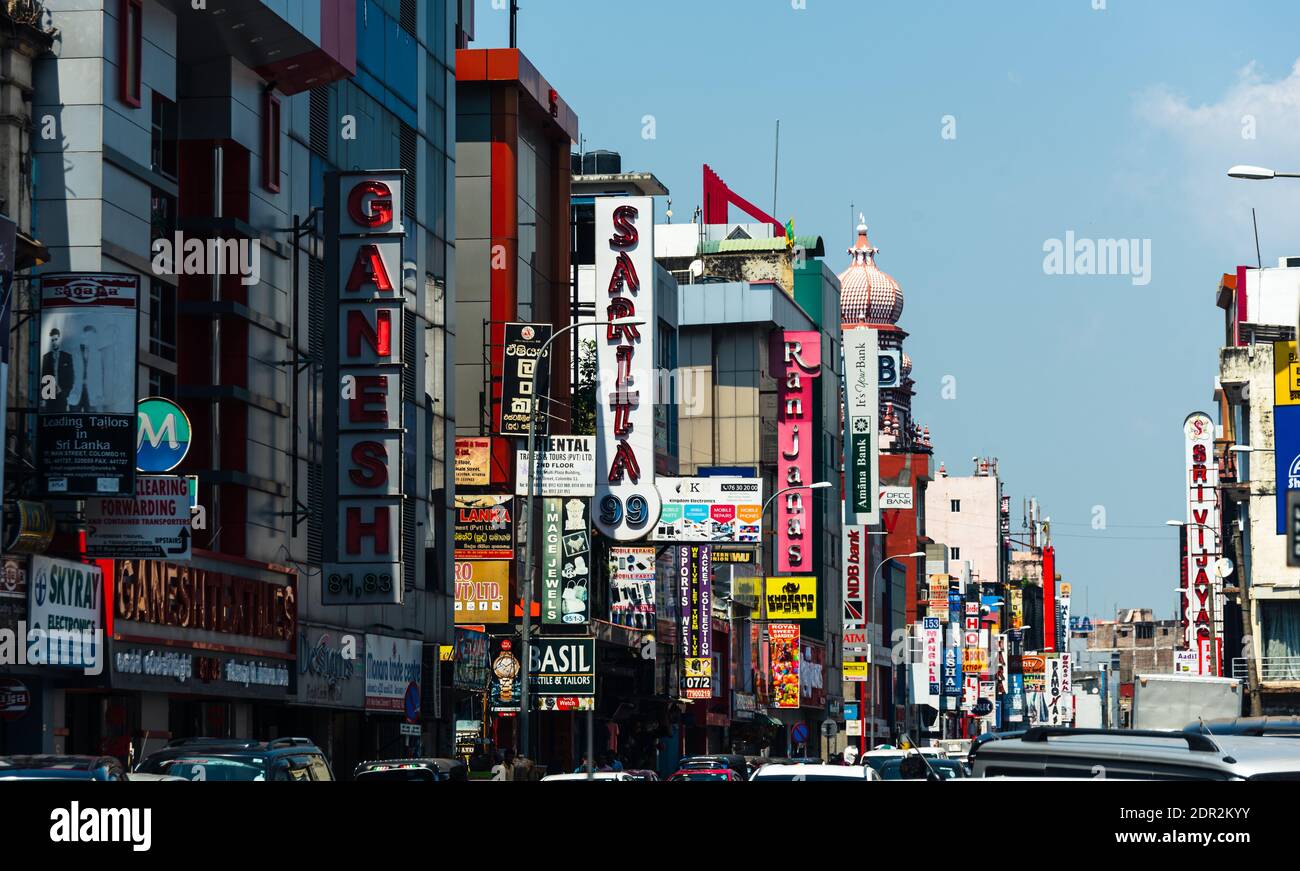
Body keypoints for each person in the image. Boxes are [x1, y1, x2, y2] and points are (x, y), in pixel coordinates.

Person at [40, 327, 74, 413]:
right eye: (52, 340)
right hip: (50, 394)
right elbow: (44, 377)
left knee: (62, 417)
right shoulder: (46, 357)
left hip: (63, 393)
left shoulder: (67, 357)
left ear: (59, 339)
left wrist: (65, 393)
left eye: (56, 339)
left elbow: (71, 377)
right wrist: (44, 398)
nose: (54, 342)